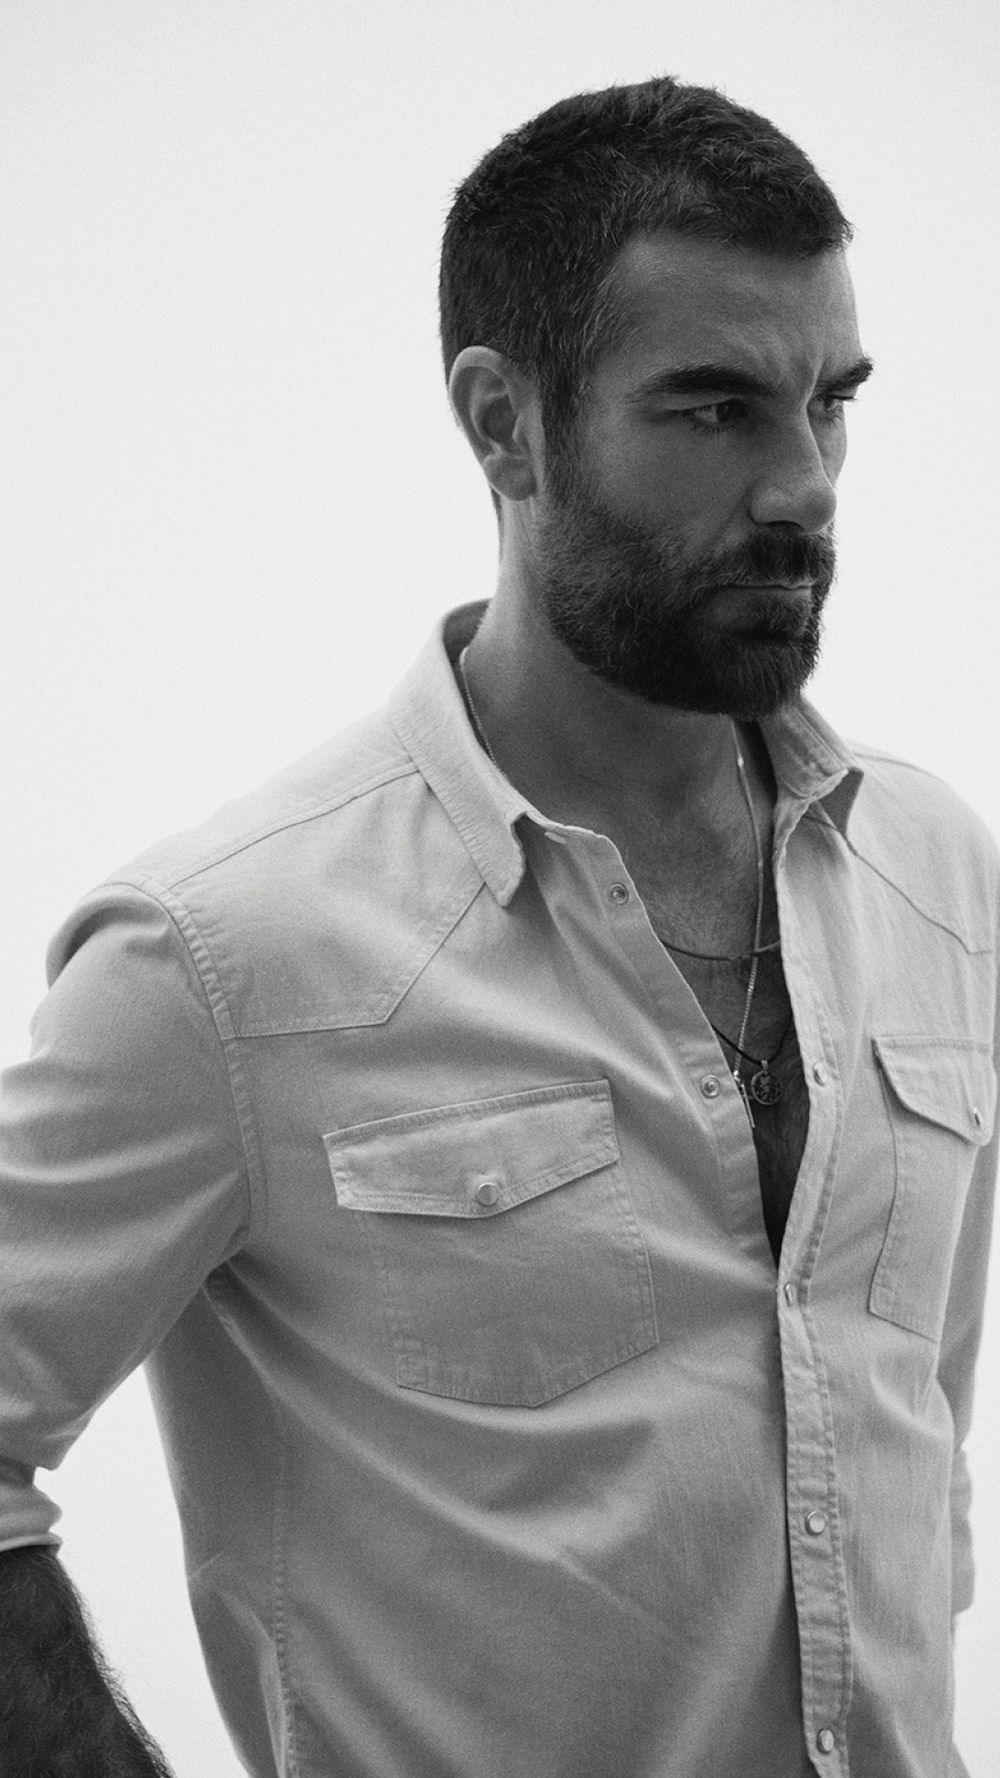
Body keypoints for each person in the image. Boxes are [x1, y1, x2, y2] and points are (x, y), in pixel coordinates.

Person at [0, 74, 996, 1778]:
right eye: (714, 408)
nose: (804, 487)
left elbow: (915, 1450)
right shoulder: (228, 956)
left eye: (830, 403)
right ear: (504, 425)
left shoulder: (939, 874)